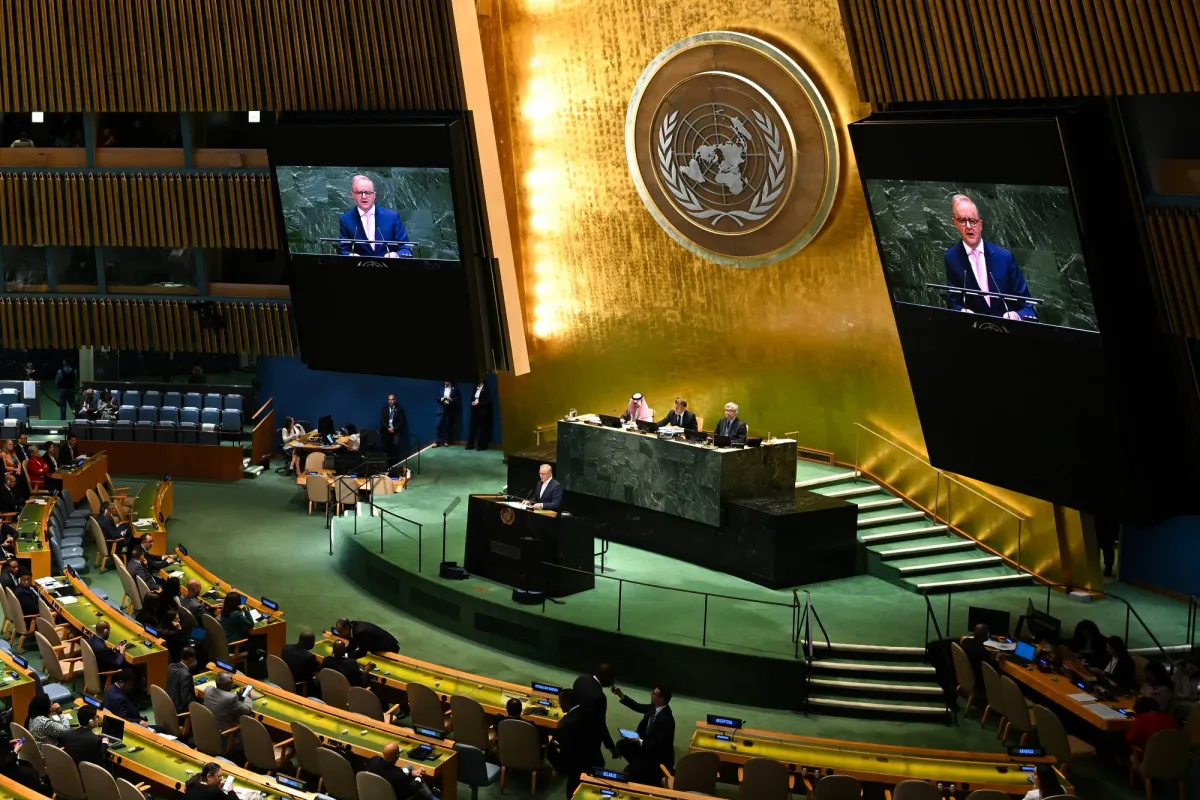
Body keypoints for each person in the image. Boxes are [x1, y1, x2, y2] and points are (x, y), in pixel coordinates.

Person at [943, 194, 1036, 321]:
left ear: (980, 224)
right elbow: (953, 302)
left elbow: (1027, 305)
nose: (968, 226)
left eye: (972, 221)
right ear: (955, 223)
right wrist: (961, 311)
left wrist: (1016, 316)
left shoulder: (1004, 257)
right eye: (962, 221)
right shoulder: (951, 257)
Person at [610, 683, 675, 784]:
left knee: (629, 773)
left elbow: (657, 746)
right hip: (646, 747)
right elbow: (637, 706)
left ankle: (646, 772)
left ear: (662, 699)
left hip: (657, 757)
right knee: (622, 744)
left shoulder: (667, 720)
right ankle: (639, 765)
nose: (651, 694)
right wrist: (620, 694)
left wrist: (639, 741)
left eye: (654, 693)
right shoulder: (654, 707)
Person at [338, 175, 413, 257]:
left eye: (368, 193)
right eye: (359, 193)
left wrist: (396, 255)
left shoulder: (392, 217)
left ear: (374, 195)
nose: (364, 196)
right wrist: (350, 255)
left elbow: (406, 249)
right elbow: (343, 250)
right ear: (352, 195)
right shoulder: (346, 219)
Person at [548, 688, 596, 799]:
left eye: (560, 702)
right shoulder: (586, 710)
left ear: (566, 702)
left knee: (572, 793)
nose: (560, 705)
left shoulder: (570, 722)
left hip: (578, 763)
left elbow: (566, 748)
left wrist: (558, 769)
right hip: (591, 755)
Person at [573, 664, 617, 765]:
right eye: (612, 679)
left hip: (571, 729)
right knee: (598, 764)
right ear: (605, 677)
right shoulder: (600, 697)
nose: (612, 683)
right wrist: (611, 747)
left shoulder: (581, 679)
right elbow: (600, 725)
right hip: (586, 738)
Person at [364, 742, 434, 799]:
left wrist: (411, 773)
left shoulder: (373, 760)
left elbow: (389, 773)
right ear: (397, 755)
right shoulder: (398, 775)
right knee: (419, 790)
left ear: (383, 753)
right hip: (397, 796)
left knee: (408, 767)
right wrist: (419, 778)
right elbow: (409, 791)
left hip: (373, 795)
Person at [334, 617, 400, 658]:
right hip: (376, 641)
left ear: (347, 628)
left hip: (389, 647)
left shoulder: (360, 633)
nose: (340, 635)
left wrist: (344, 655)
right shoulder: (352, 628)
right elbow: (352, 646)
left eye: (340, 632)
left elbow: (362, 653)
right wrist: (339, 652)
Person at [960, 624, 995, 698]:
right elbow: (991, 668)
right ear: (985, 635)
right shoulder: (983, 653)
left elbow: (976, 648)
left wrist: (986, 650)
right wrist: (997, 659)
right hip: (979, 681)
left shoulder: (965, 641)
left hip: (966, 675)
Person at [167, 646, 199, 716]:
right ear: (191, 659)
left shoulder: (170, 667)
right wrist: (193, 694)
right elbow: (186, 700)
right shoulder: (186, 675)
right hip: (179, 712)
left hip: (169, 704)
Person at [466, 381, 493, 451]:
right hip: (474, 411)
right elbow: (472, 397)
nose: (478, 383)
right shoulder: (475, 388)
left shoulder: (486, 389)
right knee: (472, 428)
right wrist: (473, 402)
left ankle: (482, 446)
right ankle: (470, 444)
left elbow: (488, 401)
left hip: (483, 412)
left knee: (482, 429)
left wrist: (478, 404)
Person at [380, 394, 407, 461]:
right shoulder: (384, 409)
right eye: (389, 400)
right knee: (386, 448)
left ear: (395, 400)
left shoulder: (399, 409)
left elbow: (401, 421)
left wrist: (394, 428)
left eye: (392, 399)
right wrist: (388, 428)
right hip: (386, 431)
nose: (390, 401)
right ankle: (387, 463)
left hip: (396, 431)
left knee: (395, 447)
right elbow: (382, 421)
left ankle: (395, 463)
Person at [434, 381, 460, 447]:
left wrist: (451, 399)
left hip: (449, 410)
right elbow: (437, 397)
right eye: (445, 381)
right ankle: (437, 442)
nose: (446, 382)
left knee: (447, 426)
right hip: (440, 410)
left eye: (447, 381)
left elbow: (457, 399)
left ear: (450, 381)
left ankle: (446, 441)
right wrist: (442, 398)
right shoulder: (440, 388)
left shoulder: (455, 389)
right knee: (438, 425)